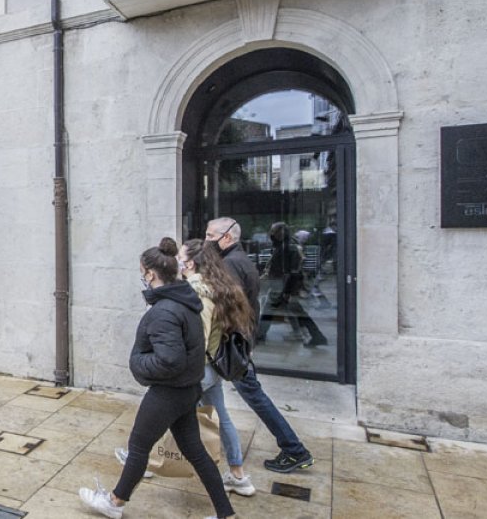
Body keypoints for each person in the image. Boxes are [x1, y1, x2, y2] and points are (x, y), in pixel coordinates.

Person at [80, 239, 235, 519]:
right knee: (196, 452)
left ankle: (114, 503)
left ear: (150, 273)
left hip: (168, 393)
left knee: (138, 448)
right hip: (187, 389)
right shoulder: (184, 301)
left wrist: (137, 362)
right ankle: (226, 513)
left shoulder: (165, 311)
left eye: (142, 271)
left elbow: (170, 359)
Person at [206, 217, 315, 474]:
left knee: (254, 395)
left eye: (211, 235)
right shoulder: (240, 260)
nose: (207, 240)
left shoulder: (231, 264)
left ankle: (294, 449)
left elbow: (228, 307)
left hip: (232, 347)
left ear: (227, 237)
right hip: (239, 343)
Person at [182, 238, 257, 496]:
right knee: (222, 418)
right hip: (212, 369)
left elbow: (198, 335)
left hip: (198, 369)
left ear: (190, 263)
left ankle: (141, 462)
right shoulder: (219, 285)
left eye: (181, 257)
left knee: (157, 414)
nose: (178, 262)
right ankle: (238, 475)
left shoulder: (196, 290)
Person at [258, 222, 327, 347]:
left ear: (279, 234)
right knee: (294, 311)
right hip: (283, 286)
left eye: (273, 232)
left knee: (270, 310)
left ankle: (259, 335)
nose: (271, 235)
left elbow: (291, 272)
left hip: (281, 286)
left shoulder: (286, 248)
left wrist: (287, 291)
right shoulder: (286, 247)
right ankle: (314, 335)